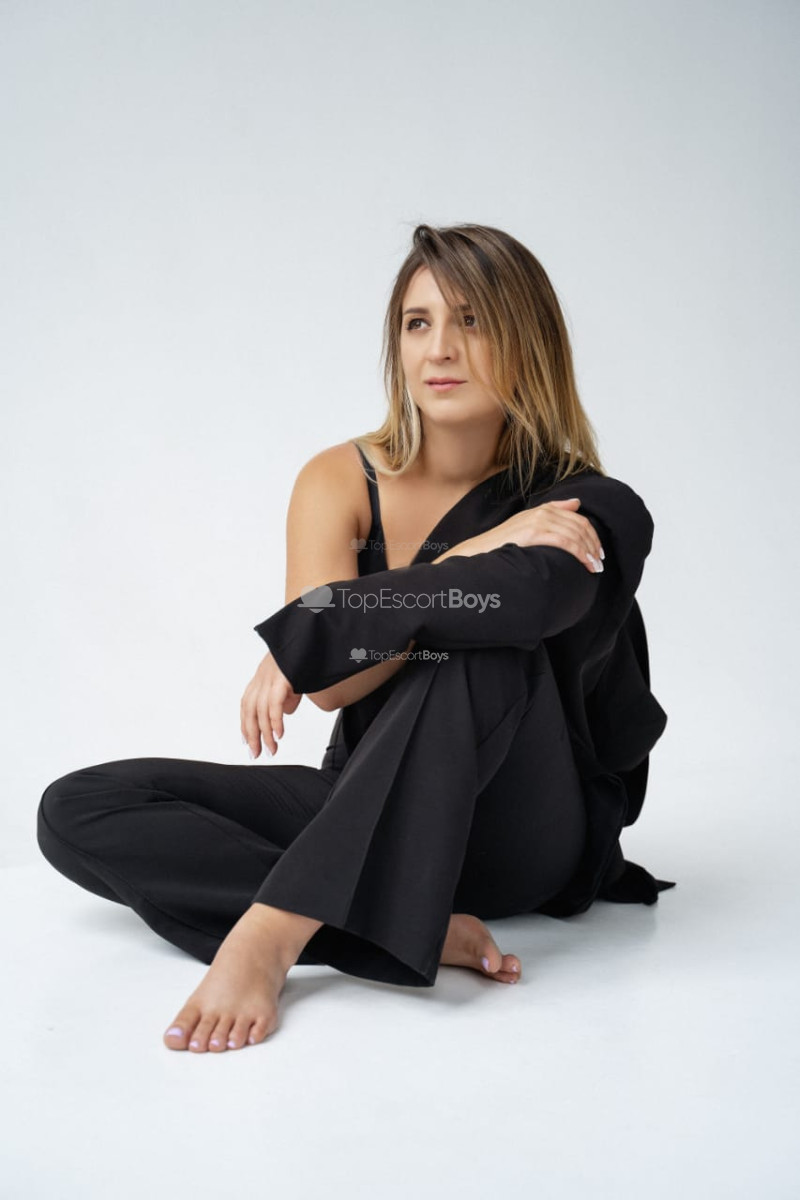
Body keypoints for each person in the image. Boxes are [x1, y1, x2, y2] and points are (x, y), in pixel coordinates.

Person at [36, 222, 672, 1056]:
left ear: (531, 340)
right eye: (417, 322)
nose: (439, 349)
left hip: (520, 830)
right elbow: (333, 685)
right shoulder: (340, 479)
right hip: (370, 807)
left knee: (480, 649)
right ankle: (396, 923)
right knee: (78, 808)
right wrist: (468, 555)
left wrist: (329, 619)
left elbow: (516, 605)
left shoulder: (590, 504)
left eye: (473, 321)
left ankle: (274, 931)